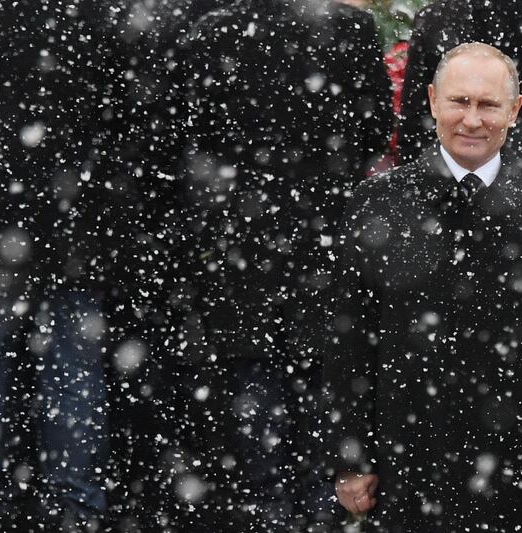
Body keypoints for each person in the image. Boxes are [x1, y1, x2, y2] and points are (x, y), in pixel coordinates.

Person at [323, 42, 522, 531]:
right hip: (411, 460)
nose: (472, 120)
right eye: (460, 102)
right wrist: (350, 454)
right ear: (434, 100)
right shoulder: (379, 202)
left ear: (515, 110)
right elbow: (349, 338)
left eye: (488, 104)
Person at [0, 1, 156, 531]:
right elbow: (124, 124)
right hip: (68, 230)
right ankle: (76, 508)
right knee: (73, 378)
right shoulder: (92, 18)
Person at [183, 0, 391, 528]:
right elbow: (372, 131)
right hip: (325, 224)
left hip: (247, 233)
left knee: (258, 374)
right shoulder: (350, 26)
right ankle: (319, 501)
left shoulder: (216, 29)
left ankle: (268, 503)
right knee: (320, 368)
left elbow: (200, 135)